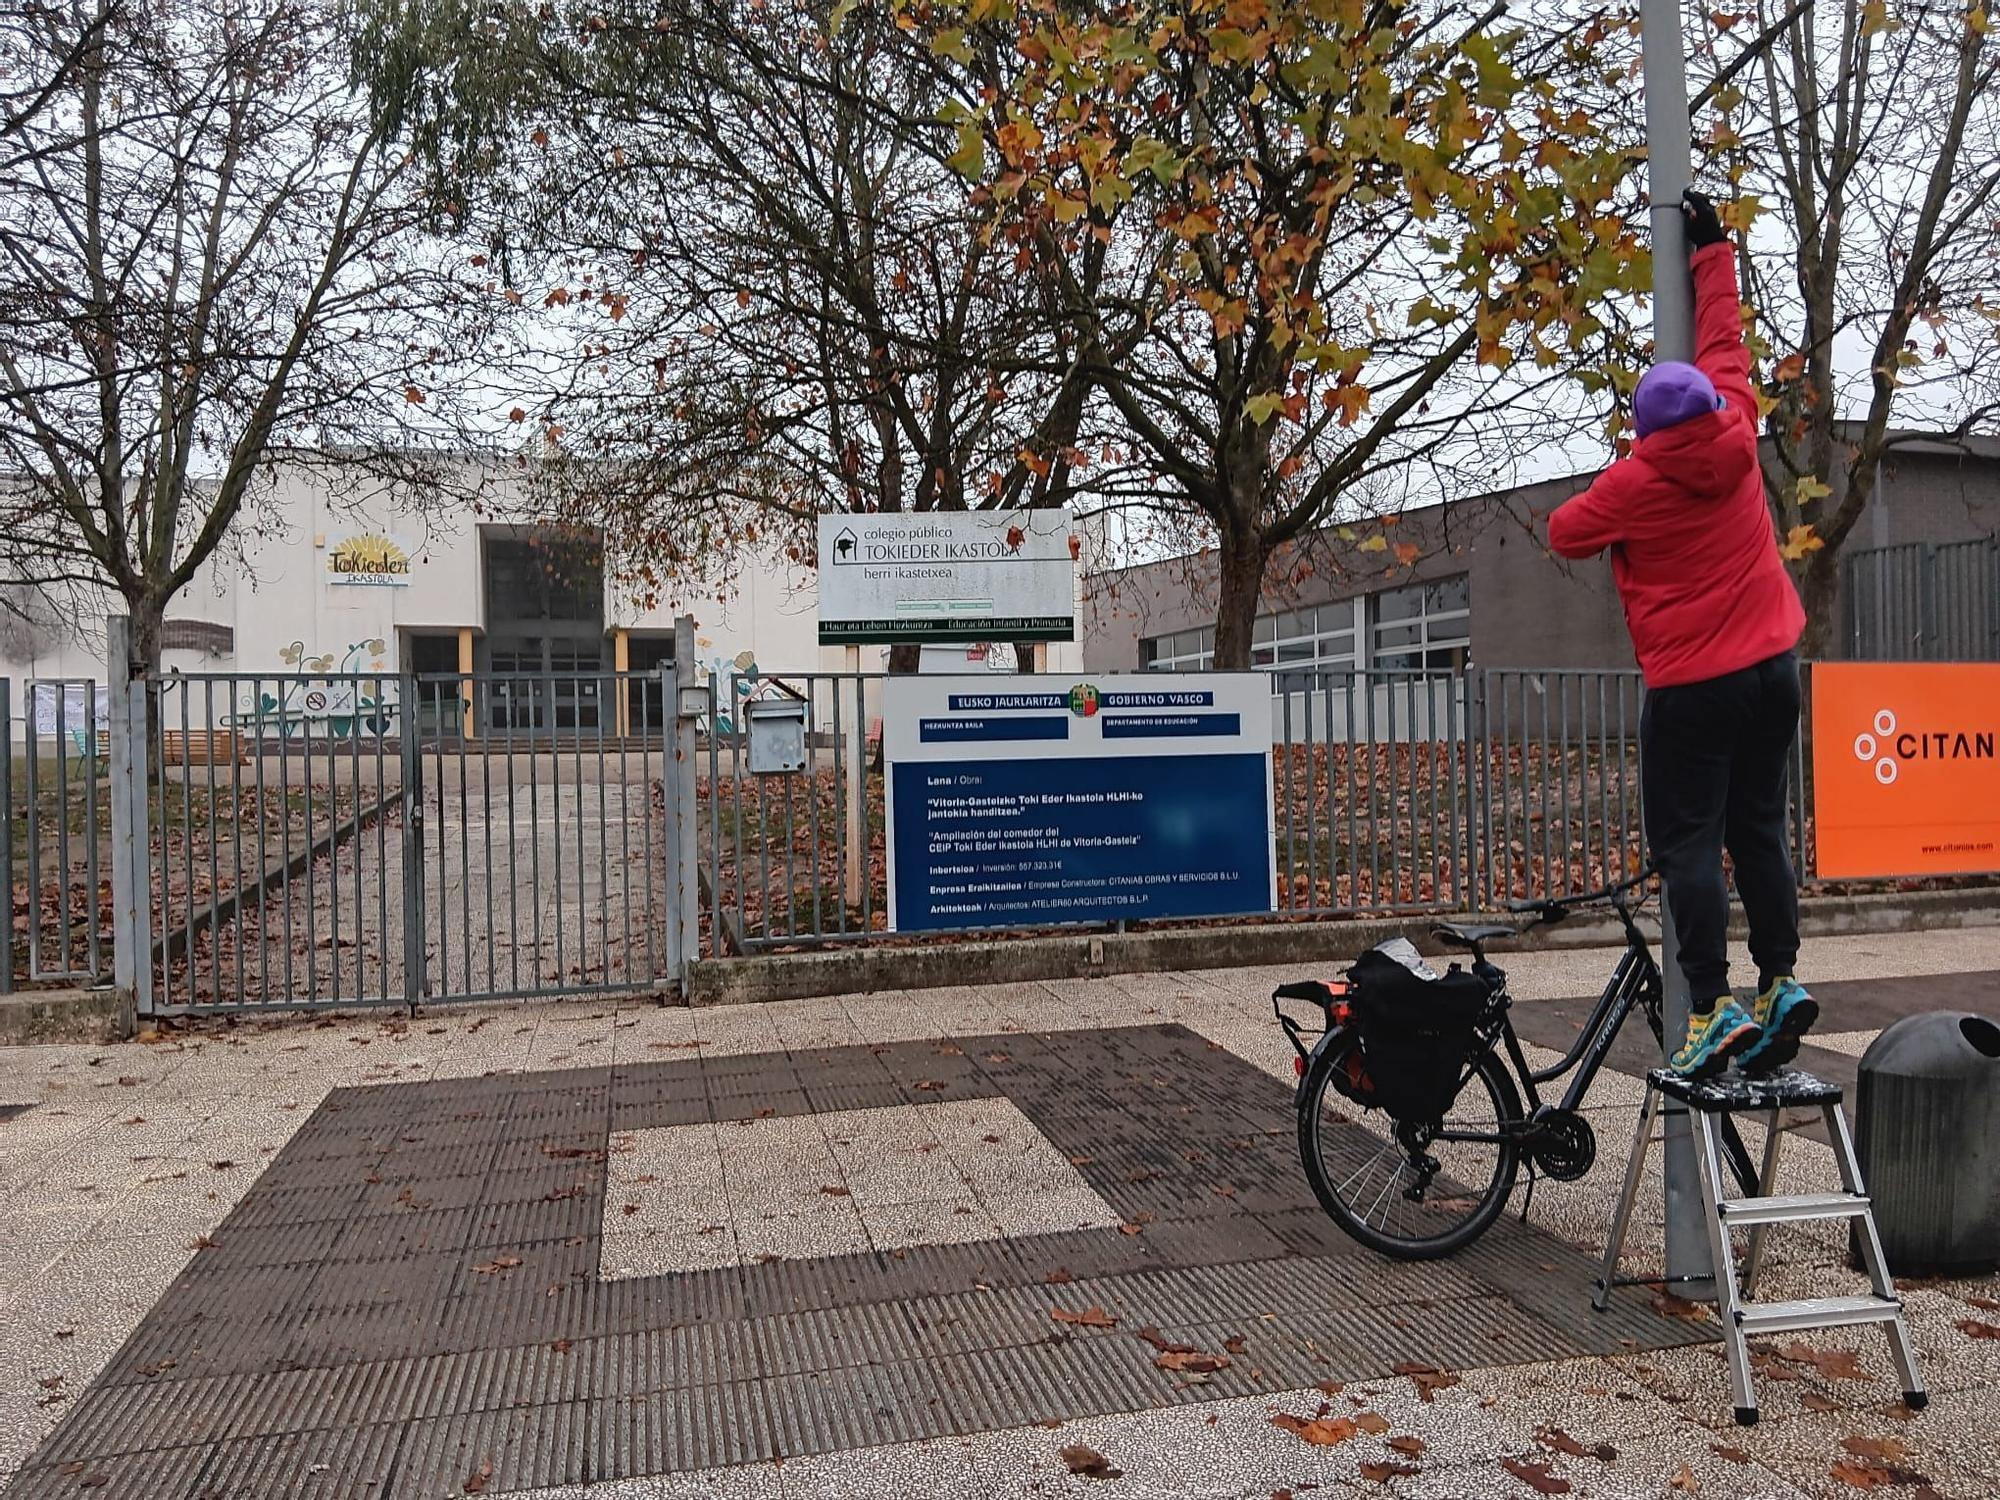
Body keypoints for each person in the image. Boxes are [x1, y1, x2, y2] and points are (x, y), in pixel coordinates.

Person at [1545, 188, 1816, 1080]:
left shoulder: (1635, 481)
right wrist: (1713, 253)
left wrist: (1625, 468)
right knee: (1760, 829)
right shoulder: (1734, 423)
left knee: (1690, 846)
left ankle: (1709, 1006)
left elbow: (1565, 530)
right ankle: (1780, 980)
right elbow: (1724, 341)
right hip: (1775, 670)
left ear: (1642, 430)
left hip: (1695, 686)